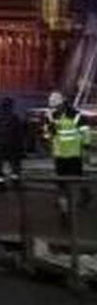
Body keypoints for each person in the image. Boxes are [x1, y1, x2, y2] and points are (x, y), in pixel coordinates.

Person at [46, 91, 91, 225]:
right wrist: (86, 147)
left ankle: (67, 210)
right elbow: (86, 132)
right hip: (72, 154)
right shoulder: (74, 115)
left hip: (63, 155)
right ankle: (69, 207)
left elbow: (49, 135)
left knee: (64, 184)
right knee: (72, 181)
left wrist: (50, 123)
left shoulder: (60, 116)